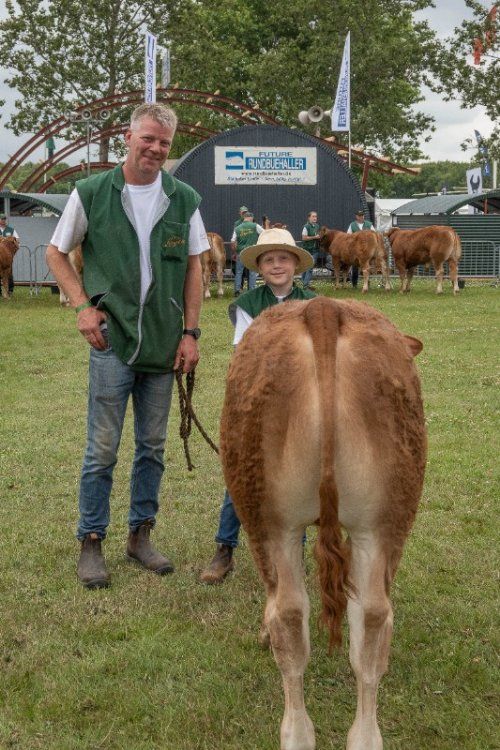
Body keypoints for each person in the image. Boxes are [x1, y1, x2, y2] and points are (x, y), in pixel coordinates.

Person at [46, 103, 209, 590]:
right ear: (129, 136)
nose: (156, 149)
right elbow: (55, 252)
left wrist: (191, 332)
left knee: (153, 448)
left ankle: (140, 537)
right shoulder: (92, 192)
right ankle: (91, 540)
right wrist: (81, 306)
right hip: (112, 341)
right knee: (102, 448)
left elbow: (196, 268)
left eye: (164, 142)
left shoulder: (183, 198)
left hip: (163, 346)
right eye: (148, 139)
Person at [199, 227, 315, 584]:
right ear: (258, 268)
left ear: (296, 264)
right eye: (269, 260)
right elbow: (245, 355)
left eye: (283, 258)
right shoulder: (247, 305)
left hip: (302, 404)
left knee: (302, 477)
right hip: (260, 402)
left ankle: (295, 549)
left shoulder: (315, 303)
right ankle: (224, 548)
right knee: (243, 477)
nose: (277, 265)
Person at [230, 210, 264, 296]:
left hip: (240, 253)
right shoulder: (255, 226)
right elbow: (264, 233)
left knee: (239, 272)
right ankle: (251, 290)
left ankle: (237, 290)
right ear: (251, 218)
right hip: (252, 252)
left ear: (244, 218)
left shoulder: (237, 228)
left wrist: (235, 251)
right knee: (252, 272)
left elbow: (233, 241)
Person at [346, 209, 375, 288]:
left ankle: (367, 283)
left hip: (367, 250)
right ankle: (354, 284)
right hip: (356, 250)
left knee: (367, 267)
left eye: (362, 215)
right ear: (356, 216)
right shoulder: (352, 225)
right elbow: (348, 236)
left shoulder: (369, 224)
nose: (361, 217)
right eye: (359, 216)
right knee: (355, 267)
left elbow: (374, 234)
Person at [300, 210, 321, 290]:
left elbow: (318, 235)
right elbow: (304, 238)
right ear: (309, 218)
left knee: (310, 267)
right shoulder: (306, 226)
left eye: (316, 216)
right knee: (306, 267)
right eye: (313, 216)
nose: (315, 218)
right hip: (307, 249)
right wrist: (314, 237)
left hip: (315, 249)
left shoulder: (317, 226)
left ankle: (305, 285)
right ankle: (305, 285)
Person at [0, 214, 19, 294]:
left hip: (7, 256)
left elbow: (17, 240)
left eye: (4, 219)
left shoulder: (11, 230)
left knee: (9, 272)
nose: (3, 220)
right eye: (1, 219)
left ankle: (10, 290)